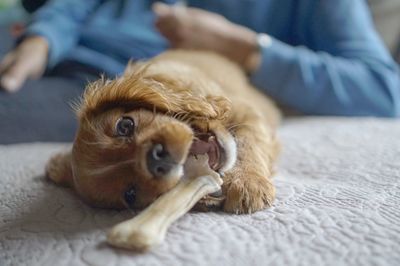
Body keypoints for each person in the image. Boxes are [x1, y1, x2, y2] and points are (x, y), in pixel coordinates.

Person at [0, 0, 399, 144]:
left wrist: (241, 46)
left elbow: (384, 90)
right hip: (40, 48)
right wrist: (44, 37)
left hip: (104, 83)